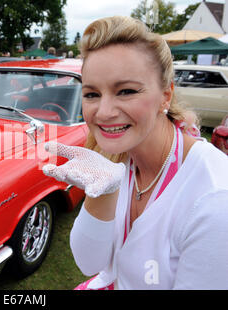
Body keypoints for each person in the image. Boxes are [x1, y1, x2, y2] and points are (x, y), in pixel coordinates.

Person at [43, 16, 228, 289]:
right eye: (92, 94)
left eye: (126, 91)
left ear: (165, 95)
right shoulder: (121, 158)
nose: (103, 112)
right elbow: (88, 262)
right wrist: (103, 193)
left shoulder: (215, 201)